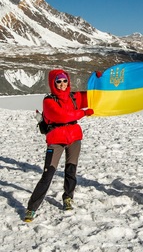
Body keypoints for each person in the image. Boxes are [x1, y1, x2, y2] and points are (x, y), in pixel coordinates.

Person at [23, 69, 94, 222]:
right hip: (56, 141)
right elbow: (62, 116)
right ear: (53, 83)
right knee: (48, 174)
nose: (62, 84)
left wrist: (99, 80)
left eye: (64, 80)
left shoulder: (74, 97)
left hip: (74, 138)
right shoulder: (48, 101)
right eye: (58, 81)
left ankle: (68, 198)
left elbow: (95, 95)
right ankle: (31, 208)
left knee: (71, 171)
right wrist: (83, 113)